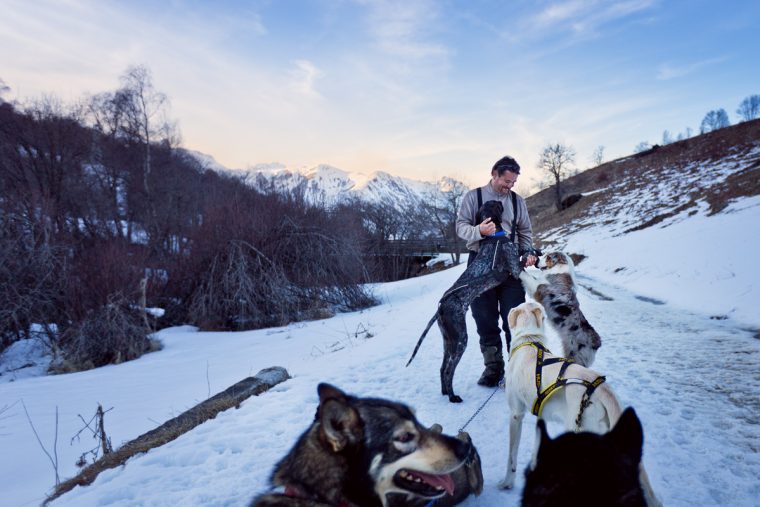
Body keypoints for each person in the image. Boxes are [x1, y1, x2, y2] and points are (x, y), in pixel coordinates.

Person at [455, 155, 537, 387]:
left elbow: (525, 231)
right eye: (506, 181)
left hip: (510, 265)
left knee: (515, 318)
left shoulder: (517, 201)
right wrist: (479, 230)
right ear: (494, 174)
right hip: (480, 266)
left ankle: (517, 368)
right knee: (484, 319)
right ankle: (493, 369)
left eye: (513, 183)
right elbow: (461, 228)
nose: (509, 187)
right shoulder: (474, 197)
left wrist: (527, 251)